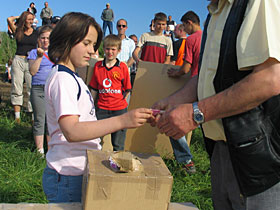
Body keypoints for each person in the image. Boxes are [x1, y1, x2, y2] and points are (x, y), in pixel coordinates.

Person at [151, 1, 280, 209]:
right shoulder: (215, 13)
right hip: (221, 147)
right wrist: (172, 101)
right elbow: (207, 76)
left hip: (260, 155)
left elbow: (269, 79)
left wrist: (195, 114)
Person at [42, 12, 152, 203]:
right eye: (86, 43)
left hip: (76, 170)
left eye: (93, 45)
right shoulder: (63, 79)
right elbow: (72, 131)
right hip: (68, 175)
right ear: (66, 39)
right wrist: (123, 120)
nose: (92, 51)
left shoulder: (72, 77)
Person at [133, 12, 195, 174]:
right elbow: (137, 52)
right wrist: (141, 63)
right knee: (143, 110)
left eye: (163, 24)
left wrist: (163, 72)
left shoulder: (170, 40)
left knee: (168, 115)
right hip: (144, 80)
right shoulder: (145, 36)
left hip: (165, 81)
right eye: (158, 24)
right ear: (153, 23)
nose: (161, 27)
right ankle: (135, 147)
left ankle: (185, 159)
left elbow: (171, 61)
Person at [89, 34, 132, 151]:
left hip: (119, 110)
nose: (110, 52)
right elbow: (94, 89)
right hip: (101, 109)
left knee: (118, 145)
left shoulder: (122, 67)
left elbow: (127, 89)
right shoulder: (98, 66)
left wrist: (120, 103)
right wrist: (91, 106)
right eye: (107, 48)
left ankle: (117, 166)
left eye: (113, 49)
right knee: (95, 141)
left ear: (119, 51)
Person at [7, 11, 38, 123]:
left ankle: (33, 117)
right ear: (24, 20)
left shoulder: (36, 33)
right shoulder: (18, 31)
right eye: (28, 19)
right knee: (17, 87)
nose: (30, 21)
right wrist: (20, 17)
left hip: (30, 62)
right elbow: (9, 19)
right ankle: (17, 117)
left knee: (32, 88)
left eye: (31, 19)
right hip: (18, 61)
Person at [28, 25, 53, 156]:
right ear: (38, 39)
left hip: (52, 90)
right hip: (38, 89)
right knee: (39, 119)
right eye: (42, 38)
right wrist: (39, 57)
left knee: (51, 121)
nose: (45, 41)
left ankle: (50, 151)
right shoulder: (33, 53)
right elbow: (32, 71)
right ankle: (39, 152)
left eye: (48, 38)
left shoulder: (56, 53)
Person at [168, 11, 202, 78]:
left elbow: (185, 69)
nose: (184, 29)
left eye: (184, 25)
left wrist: (175, 73)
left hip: (196, 79)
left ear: (189, 23)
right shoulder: (207, 36)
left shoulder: (191, 39)